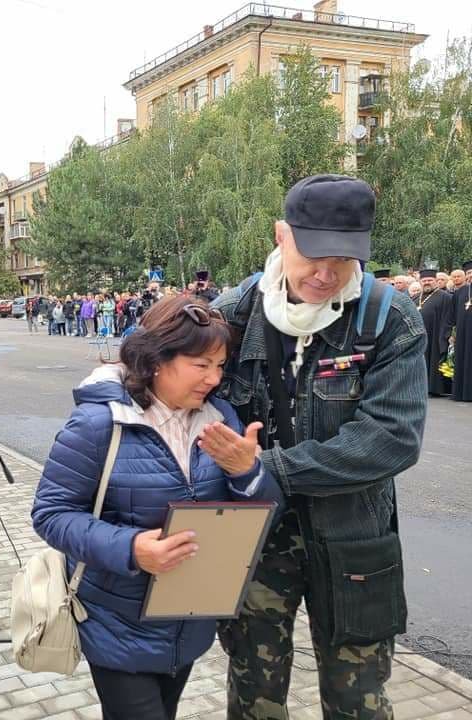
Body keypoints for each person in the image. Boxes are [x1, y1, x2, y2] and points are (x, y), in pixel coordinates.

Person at [212, 174, 427, 719]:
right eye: (312, 254)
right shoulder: (235, 315)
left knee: (359, 702)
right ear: (281, 235)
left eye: (344, 258)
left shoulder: (389, 320)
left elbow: (391, 440)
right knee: (253, 695)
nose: (326, 273)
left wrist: (269, 467)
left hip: (353, 537)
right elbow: (173, 393)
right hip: (253, 539)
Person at [32, 296, 282, 720]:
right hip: (117, 625)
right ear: (155, 360)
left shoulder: (220, 418)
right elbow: (52, 513)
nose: (214, 379)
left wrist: (247, 473)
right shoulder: (99, 424)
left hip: (187, 623)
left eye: (220, 366)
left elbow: (260, 516)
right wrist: (131, 549)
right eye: (201, 365)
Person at [415, 268, 453, 397]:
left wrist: (445, 336)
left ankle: (433, 388)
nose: (427, 283)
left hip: (435, 335)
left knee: (432, 361)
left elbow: (448, 318)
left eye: (430, 280)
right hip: (416, 337)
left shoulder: (446, 297)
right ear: (420, 281)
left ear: (436, 281)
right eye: (424, 280)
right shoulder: (415, 297)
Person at [450, 260, 472, 402]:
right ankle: (462, 393)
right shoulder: (461, 292)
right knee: (463, 360)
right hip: (463, 335)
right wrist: (452, 334)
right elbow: (452, 316)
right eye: (469, 273)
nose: (471, 275)